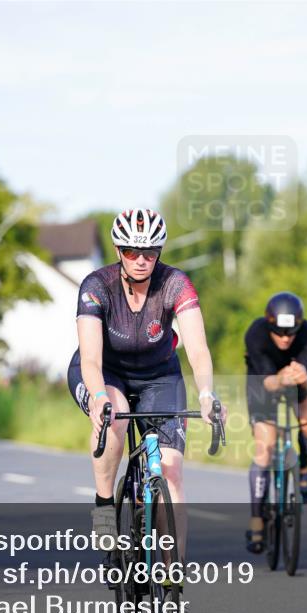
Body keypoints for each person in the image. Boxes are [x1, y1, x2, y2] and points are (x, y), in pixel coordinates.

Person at [67, 209, 225, 559]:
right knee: (115, 416)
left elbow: (198, 349)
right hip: (105, 372)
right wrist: (98, 397)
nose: (141, 261)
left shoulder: (175, 284)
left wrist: (206, 393)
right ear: (118, 251)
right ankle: (104, 506)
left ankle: (172, 570)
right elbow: (90, 359)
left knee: (171, 470)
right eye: (131, 252)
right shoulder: (96, 286)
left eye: (150, 253)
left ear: (159, 252)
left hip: (159, 376)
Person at [243, 292, 307, 553]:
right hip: (263, 382)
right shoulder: (256, 333)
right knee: (265, 448)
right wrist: (281, 379)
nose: (286, 338)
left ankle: (304, 470)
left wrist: (303, 379)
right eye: (280, 333)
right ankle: (257, 520)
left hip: (297, 381)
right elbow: (267, 382)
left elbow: (306, 384)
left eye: (291, 333)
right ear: (269, 326)